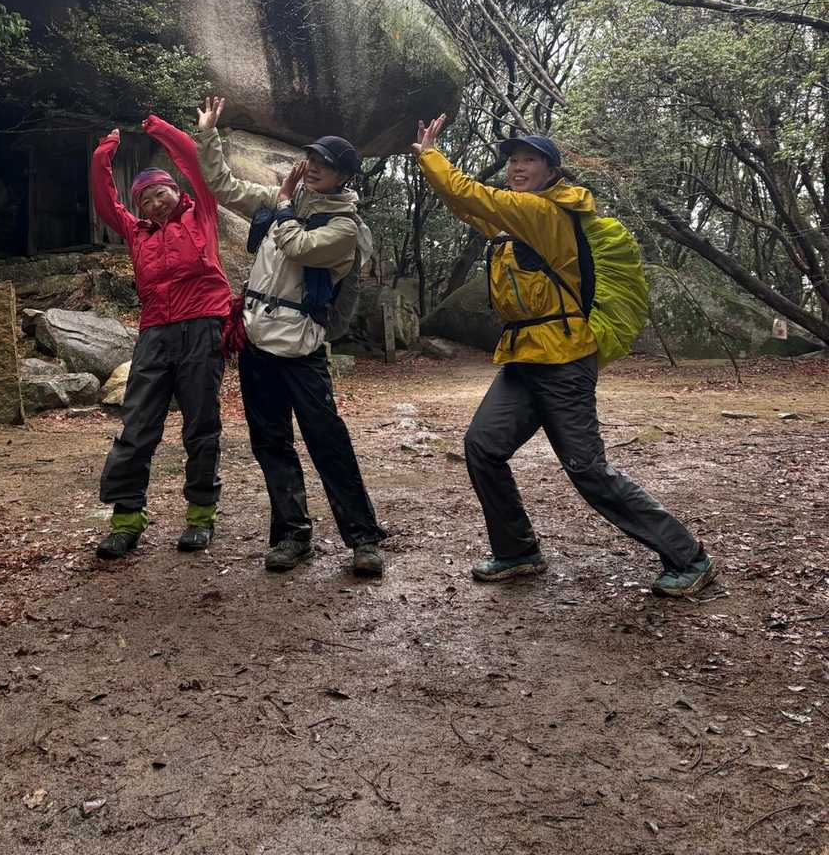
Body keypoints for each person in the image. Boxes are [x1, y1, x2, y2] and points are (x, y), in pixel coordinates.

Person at [413, 116, 716, 598]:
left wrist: (432, 156)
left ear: (552, 171)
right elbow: (467, 204)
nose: (516, 167)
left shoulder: (545, 214)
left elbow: (473, 196)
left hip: (564, 359)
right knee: (483, 447)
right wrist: (434, 169)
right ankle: (517, 551)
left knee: (587, 468)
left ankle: (688, 557)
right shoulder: (518, 219)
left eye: (529, 160)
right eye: (512, 160)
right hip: (524, 358)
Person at [194, 96, 386, 578]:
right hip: (257, 342)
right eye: (312, 158)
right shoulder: (284, 199)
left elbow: (298, 246)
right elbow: (223, 185)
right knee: (270, 442)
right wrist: (208, 134)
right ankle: (291, 535)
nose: (314, 167)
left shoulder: (344, 228)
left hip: (302, 349)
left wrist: (282, 204)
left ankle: (363, 538)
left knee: (328, 442)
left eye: (326, 164)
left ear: (344, 176)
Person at [90, 114, 232, 559]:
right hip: (155, 332)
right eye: (145, 199)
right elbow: (105, 202)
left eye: (160, 193)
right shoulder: (136, 233)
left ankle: (200, 516)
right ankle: (127, 519)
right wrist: (103, 155)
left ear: (175, 190)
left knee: (201, 425)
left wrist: (157, 127)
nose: (154, 203)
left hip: (204, 325)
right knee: (137, 426)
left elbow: (193, 161)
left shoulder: (202, 211)